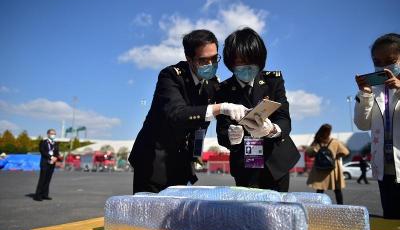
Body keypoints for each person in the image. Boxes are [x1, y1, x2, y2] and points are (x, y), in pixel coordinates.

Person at [129, 29, 248, 194]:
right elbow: (177, 114)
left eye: (214, 59)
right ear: (189, 58)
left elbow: (210, 125)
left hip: (182, 163)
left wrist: (231, 133)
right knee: (149, 216)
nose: (210, 65)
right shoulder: (171, 76)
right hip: (154, 161)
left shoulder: (211, 84)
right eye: (203, 60)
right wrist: (220, 107)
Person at [216, 27, 299, 192]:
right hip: (244, 164)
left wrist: (271, 130)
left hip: (276, 162)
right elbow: (222, 132)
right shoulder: (222, 90)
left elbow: (284, 119)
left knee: (277, 212)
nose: (246, 68)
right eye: (240, 63)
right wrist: (232, 137)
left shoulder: (273, 81)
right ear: (230, 63)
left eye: (251, 62)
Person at [354, 33, 400, 219]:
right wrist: (365, 95)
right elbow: (362, 124)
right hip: (386, 169)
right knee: (390, 217)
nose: (383, 66)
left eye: (390, 60)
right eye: (377, 61)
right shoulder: (374, 89)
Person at [306, 124, 349, 205]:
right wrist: (335, 156)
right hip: (332, 170)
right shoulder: (335, 142)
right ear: (329, 132)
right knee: (337, 190)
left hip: (319, 169)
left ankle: (318, 208)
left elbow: (309, 153)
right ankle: (340, 206)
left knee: (320, 190)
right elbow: (346, 152)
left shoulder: (317, 142)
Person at [34, 129, 61, 201]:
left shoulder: (55, 143)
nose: (53, 135)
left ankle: (45, 194)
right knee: (42, 179)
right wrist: (51, 157)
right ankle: (38, 195)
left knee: (48, 180)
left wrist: (55, 158)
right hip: (45, 163)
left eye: (54, 134)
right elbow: (42, 151)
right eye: (52, 133)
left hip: (52, 163)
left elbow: (57, 152)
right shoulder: (43, 142)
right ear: (48, 134)